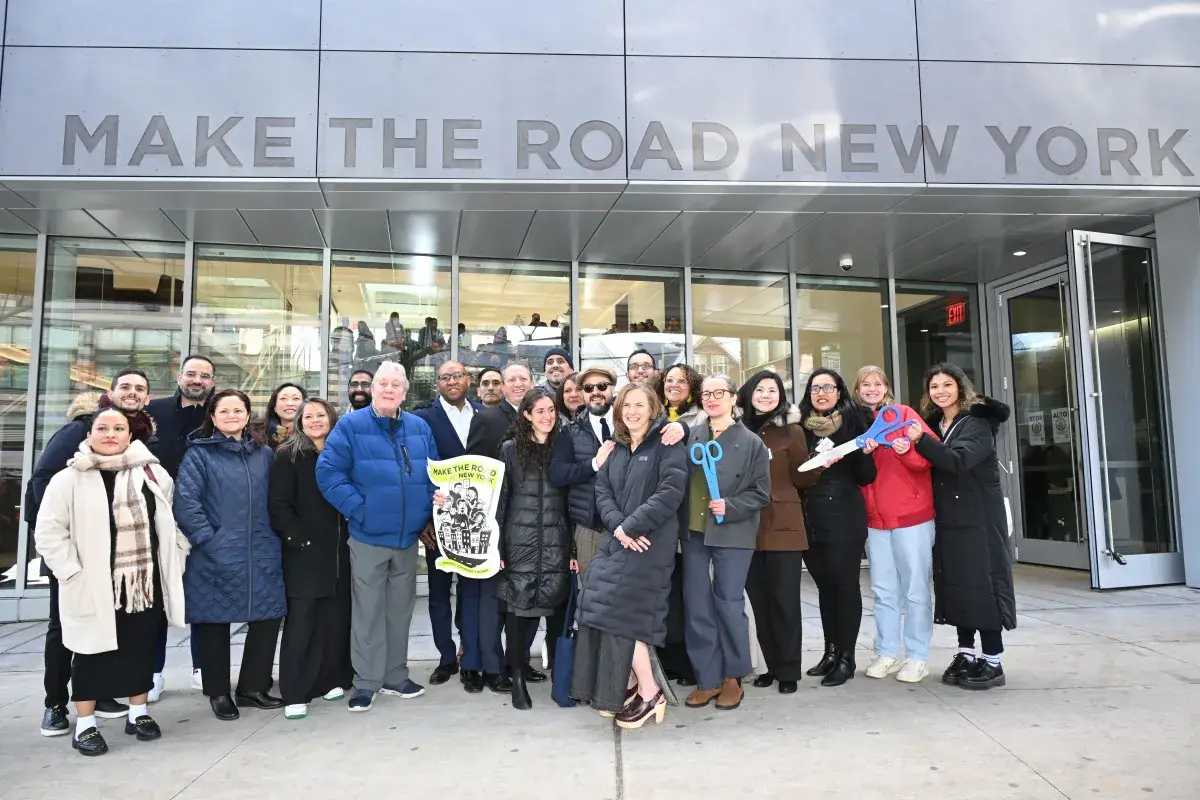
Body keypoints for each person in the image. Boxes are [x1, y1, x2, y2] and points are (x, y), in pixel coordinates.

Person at [35, 408, 188, 755]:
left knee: (141, 649)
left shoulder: (153, 474)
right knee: (91, 652)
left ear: (129, 434)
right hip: (93, 582)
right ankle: (85, 725)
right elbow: (48, 532)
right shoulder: (69, 478)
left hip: (143, 582)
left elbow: (168, 520)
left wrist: (176, 554)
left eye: (118, 428)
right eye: (102, 428)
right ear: (89, 435)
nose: (110, 434)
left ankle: (138, 712)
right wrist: (71, 571)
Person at [28, 369, 155, 735]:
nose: (132, 393)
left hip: (121, 561)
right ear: (110, 393)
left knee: (115, 628)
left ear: (146, 398)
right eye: (125, 387)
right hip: (77, 557)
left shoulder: (142, 437)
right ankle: (55, 703)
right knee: (66, 630)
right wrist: (66, 559)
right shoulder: (78, 429)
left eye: (140, 389)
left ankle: (101, 694)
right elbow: (43, 484)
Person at [316, 362, 439, 712]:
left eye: (395, 384)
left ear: (405, 391)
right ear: (372, 389)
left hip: (407, 539)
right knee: (368, 612)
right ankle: (366, 681)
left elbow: (434, 472)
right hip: (368, 536)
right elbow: (328, 473)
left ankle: (395, 675)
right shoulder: (351, 426)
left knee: (399, 611)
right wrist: (360, 509)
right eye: (383, 383)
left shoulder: (419, 427)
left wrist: (433, 502)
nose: (388, 389)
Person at [572, 383, 688, 729]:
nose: (633, 412)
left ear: (653, 409)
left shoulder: (668, 444)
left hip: (649, 546)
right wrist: (620, 527)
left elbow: (670, 493)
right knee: (603, 608)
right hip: (619, 540)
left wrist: (631, 527)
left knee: (625, 616)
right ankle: (637, 686)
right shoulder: (618, 448)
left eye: (640, 405)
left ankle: (651, 693)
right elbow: (601, 490)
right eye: (626, 406)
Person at [174, 389, 285, 721]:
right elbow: (186, 503)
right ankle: (218, 691)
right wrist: (209, 539)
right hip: (214, 554)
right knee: (214, 624)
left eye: (239, 410)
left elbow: (277, 498)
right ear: (212, 415)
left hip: (262, 551)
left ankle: (252, 687)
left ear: (248, 415)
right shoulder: (199, 455)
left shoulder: (264, 454)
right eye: (224, 410)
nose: (232, 415)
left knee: (267, 618)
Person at [906, 362, 1016, 690]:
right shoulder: (935, 424)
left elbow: (958, 461)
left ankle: (993, 660)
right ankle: (966, 652)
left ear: (960, 388)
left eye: (946, 385)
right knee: (957, 585)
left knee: (982, 584)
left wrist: (920, 442)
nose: (940, 391)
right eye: (934, 386)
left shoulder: (976, 423)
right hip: (949, 519)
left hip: (979, 518)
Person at [414, 361, 509, 692]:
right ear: (437, 383)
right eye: (445, 377)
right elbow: (417, 470)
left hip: (476, 521)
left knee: (472, 591)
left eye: (458, 376)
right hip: (439, 522)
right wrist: (425, 518)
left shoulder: (485, 413)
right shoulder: (423, 418)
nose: (452, 381)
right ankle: (445, 657)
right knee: (439, 592)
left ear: (468, 380)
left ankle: (471, 652)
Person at [681, 375, 771, 712]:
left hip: (733, 533)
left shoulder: (751, 443)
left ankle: (734, 676)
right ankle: (708, 678)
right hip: (693, 531)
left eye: (719, 393)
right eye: (706, 394)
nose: (712, 399)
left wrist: (730, 506)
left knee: (729, 603)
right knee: (697, 605)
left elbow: (761, 493)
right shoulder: (693, 435)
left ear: (733, 398)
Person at [269, 398, 354, 720]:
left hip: (339, 552)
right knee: (302, 621)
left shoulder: (341, 454)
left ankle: (328, 679)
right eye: (309, 416)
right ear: (300, 421)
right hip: (304, 551)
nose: (315, 421)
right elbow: (279, 504)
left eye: (321, 415)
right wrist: (297, 539)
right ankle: (295, 691)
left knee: (333, 619)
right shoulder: (288, 456)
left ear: (332, 419)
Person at [737, 370, 821, 694]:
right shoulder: (737, 430)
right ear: (749, 394)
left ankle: (789, 670)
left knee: (784, 599)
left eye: (772, 390)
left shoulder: (791, 432)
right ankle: (771, 665)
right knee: (759, 600)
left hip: (783, 524)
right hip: (745, 526)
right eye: (760, 389)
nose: (766, 395)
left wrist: (820, 463)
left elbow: (802, 478)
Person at [853, 366, 937, 684]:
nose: (872, 388)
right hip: (876, 521)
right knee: (883, 590)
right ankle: (886, 651)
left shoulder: (903, 414)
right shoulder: (856, 422)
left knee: (915, 589)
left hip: (911, 517)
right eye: (865, 384)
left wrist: (907, 451)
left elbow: (928, 460)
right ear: (857, 389)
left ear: (886, 387)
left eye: (878, 383)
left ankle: (917, 656)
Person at [495, 389, 572, 710]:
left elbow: (572, 499)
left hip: (556, 539)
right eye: (539, 411)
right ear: (526, 414)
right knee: (519, 611)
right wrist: (496, 546)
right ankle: (516, 675)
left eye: (551, 410)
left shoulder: (563, 446)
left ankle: (558, 676)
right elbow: (500, 500)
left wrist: (573, 550)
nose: (546, 416)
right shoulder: (510, 450)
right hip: (520, 542)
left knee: (554, 608)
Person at [799, 368, 877, 687]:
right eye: (816, 387)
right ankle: (830, 652)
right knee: (825, 586)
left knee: (845, 586)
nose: (822, 392)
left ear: (840, 391)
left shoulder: (855, 422)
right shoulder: (800, 426)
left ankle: (847, 657)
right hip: (810, 516)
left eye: (828, 387)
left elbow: (866, 476)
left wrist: (864, 454)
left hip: (844, 513)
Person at [550, 367, 617, 580]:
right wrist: (593, 464)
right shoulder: (570, 431)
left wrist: (682, 427)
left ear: (613, 390)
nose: (596, 391)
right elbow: (557, 474)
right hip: (590, 527)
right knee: (591, 595)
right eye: (589, 388)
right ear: (583, 393)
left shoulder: (631, 423)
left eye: (602, 386)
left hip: (628, 523)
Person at [265, 382, 307, 447]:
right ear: (274, 407)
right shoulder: (261, 436)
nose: (290, 403)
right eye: (283, 398)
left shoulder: (312, 434)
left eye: (296, 398)